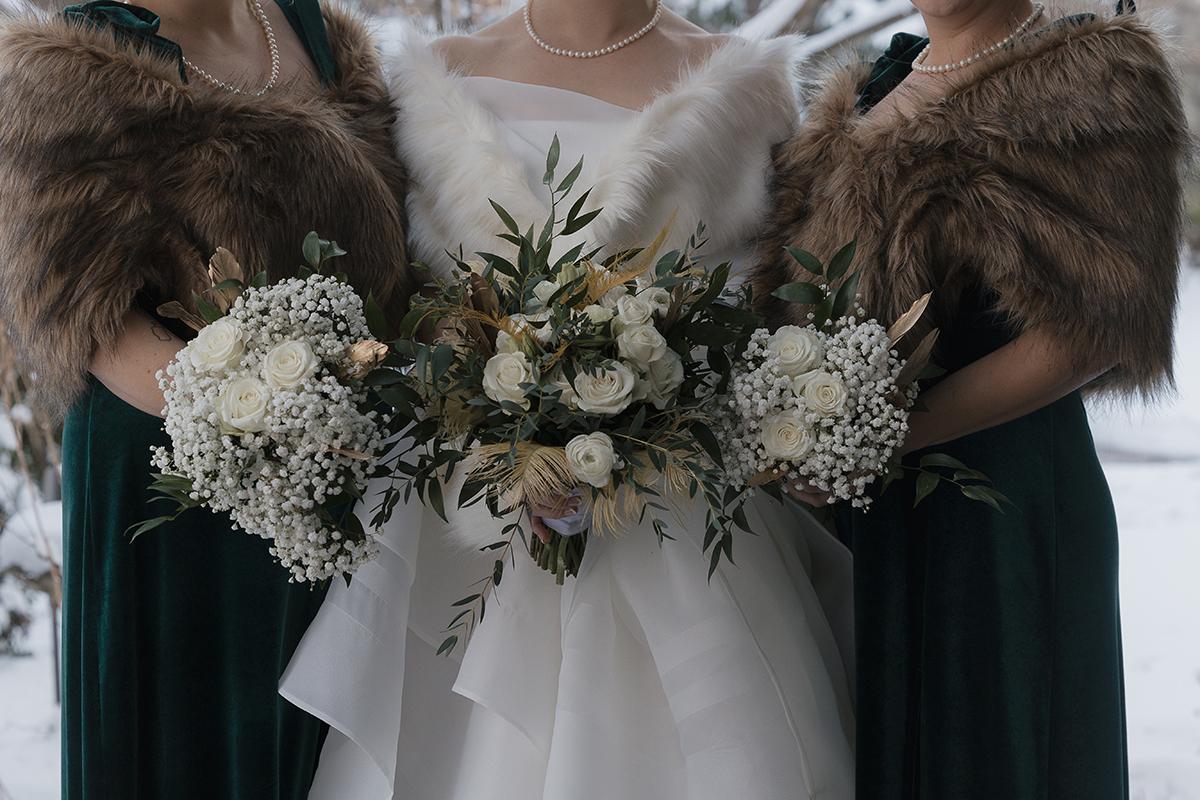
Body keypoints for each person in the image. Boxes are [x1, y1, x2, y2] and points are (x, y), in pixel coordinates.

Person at [280, 2, 857, 798]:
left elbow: (762, 317)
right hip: (466, 521)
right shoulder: (425, 81)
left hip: (680, 517)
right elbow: (401, 308)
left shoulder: (749, 84)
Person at [754, 1, 1187, 797]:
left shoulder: (1093, 74)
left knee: (990, 756)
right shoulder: (874, 87)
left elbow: (1091, 331)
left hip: (999, 506)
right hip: (856, 505)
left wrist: (884, 436)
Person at [0, 1, 412, 797]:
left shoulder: (323, 35)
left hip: (354, 467)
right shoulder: (64, 67)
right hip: (177, 482)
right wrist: (280, 423)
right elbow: (91, 323)